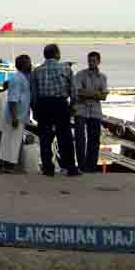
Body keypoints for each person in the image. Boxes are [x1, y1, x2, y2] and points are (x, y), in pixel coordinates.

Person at [30, 44, 79, 177]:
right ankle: (70, 167)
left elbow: (33, 94)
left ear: (45, 55)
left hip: (43, 105)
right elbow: (73, 91)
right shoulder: (66, 68)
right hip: (60, 104)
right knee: (65, 137)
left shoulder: (36, 71)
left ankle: (48, 168)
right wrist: (72, 107)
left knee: (45, 138)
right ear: (57, 54)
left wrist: (35, 110)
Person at [73, 51, 109, 173]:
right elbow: (78, 92)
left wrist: (87, 93)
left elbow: (104, 96)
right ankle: (81, 165)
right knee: (80, 139)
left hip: (95, 112)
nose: (91, 63)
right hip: (81, 110)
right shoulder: (80, 74)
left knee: (94, 139)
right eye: (89, 60)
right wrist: (96, 94)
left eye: (94, 61)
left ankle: (91, 166)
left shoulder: (102, 77)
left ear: (99, 62)